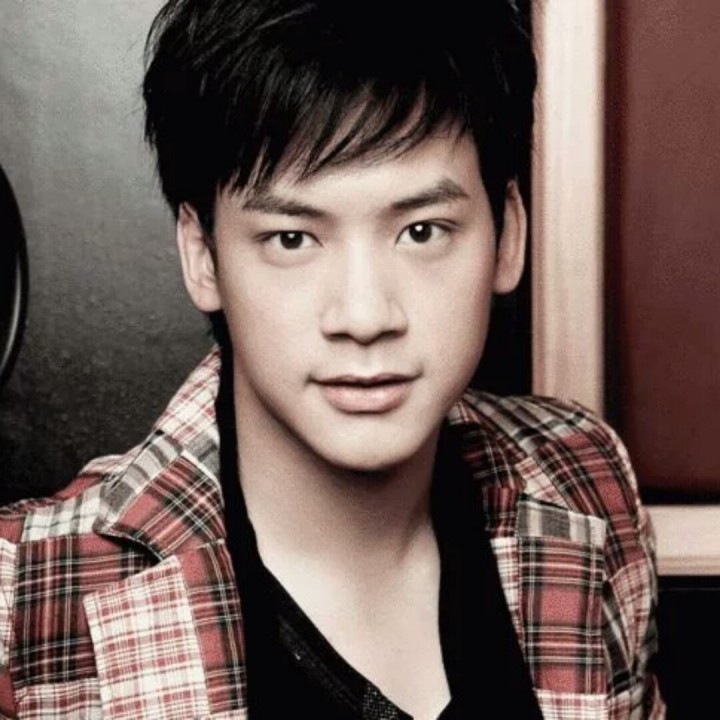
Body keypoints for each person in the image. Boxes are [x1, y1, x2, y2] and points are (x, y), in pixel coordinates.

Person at [0, 0, 664, 717]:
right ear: (202, 256)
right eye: (292, 239)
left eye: (422, 231)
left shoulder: (585, 479)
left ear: (508, 236)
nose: (365, 316)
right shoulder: (28, 592)